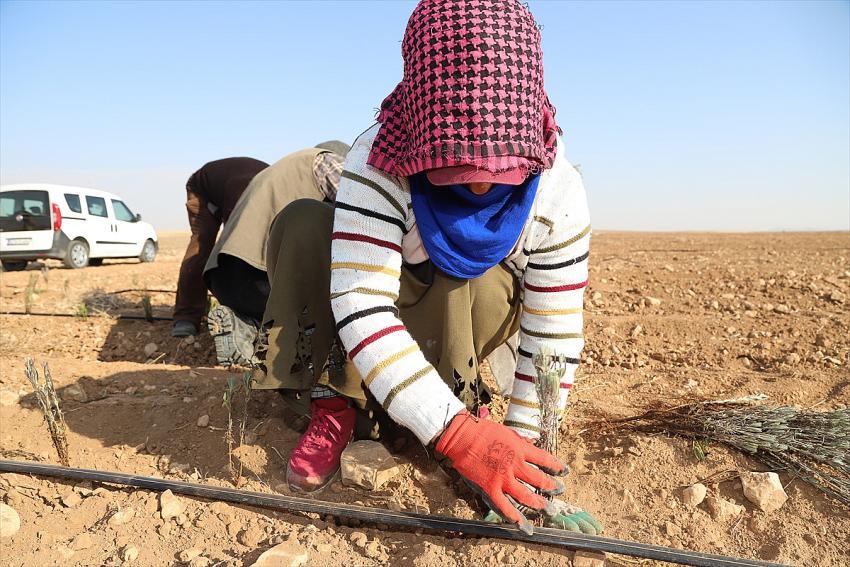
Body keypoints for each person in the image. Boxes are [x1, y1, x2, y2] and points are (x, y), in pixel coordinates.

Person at [254, 0, 600, 536]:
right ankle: (336, 401)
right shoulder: (381, 160)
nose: (481, 185)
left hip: (456, 319)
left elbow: (553, 333)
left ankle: (458, 400)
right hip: (374, 317)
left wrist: (525, 447)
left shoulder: (558, 191)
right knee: (304, 224)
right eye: (459, 166)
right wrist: (455, 437)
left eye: (498, 168)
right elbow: (362, 302)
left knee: (476, 276)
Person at [205, 141, 349, 366]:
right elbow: (357, 208)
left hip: (223, 277)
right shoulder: (326, 160)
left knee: (271, 313)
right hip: (263, 275)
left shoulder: (280, 169)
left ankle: (245, 326)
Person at [172, 157, 269, 337]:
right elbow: (232, 251)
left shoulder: (275, 194)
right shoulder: (241, 201)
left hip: (234, 186)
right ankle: (186, 316)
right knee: (202, 247)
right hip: (203, 191)